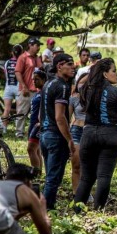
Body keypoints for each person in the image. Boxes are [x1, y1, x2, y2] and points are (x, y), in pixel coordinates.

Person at [74, 58, 117, 210]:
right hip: (111, 135)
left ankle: (77, 210)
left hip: (88, 134)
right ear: (105, 74)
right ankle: (98, 211)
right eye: (113, 70)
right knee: (104, 176)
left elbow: (79, 83)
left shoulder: (86, 90)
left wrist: (93, 72)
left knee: (86, 178)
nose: (116, 74)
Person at [39, 53, 76, 210]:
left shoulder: (48, 83)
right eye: (69, 65)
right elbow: (60, 117)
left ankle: (42, 206)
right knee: (54, 177)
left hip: (44, 135)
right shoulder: (61, 86)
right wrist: (69, 139)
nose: (73, 68)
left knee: (49, 177)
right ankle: (46, 209)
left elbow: (42, 114)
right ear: (59, 66)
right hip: (55, 136)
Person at [15, 37, 43, 139]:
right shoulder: (23, 57)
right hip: (26, 90)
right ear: (30, 45)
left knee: (36, 113)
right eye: (37, 45)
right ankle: (19, 133)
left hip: (37, 90)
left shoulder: (38, 58)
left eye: (39, 46)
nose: (39, 48)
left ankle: (34, 132)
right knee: (22, 112)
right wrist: (24, 86)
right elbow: (18, 72)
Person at [68, 74, 88, 194]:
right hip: (77, 131)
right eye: (81, 83)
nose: (83, 86)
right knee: (76, 164)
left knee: (89, 166)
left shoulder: (98, 98)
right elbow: (68, 117)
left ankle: (86, 190)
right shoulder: (74, 98)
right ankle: (76, 193)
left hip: (91, 132)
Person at [26, 69, 47, 172]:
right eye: (33, 79)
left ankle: (35, 174)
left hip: (38, 125)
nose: (34, 82)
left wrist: (41, 122)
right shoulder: (38, 92)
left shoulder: (45, 92)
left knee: (31, 149)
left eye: (37, 79)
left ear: (43, 80)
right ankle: (39, 173)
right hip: (33, 124)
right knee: (36, 150)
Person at [2, 44, 23, 134]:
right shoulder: (21, 62)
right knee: (19, 110)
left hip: (8, 87)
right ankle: (18, 131)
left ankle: (4, 129)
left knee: (6, 109)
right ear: (21, 52)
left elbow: (5, 73)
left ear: (12, 53)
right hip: (18, 88)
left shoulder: (7, 63)